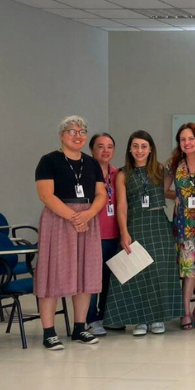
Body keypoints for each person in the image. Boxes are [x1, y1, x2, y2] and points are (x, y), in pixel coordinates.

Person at [34, 116, 104, 350]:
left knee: (86, 273)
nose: (78, 136)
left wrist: (88, 214)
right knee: (54, 273)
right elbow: (46, 195)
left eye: (82, 131)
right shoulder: (49, 160)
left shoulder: (92, 163)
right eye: (72, 131)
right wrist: (74, 217)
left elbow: (101, 194)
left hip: (88, 218)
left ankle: (79, 328)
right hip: (59, 218)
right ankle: (49, 332)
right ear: (62, 135)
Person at [104, 130, 183, 337]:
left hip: (158, 223)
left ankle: (157, 317)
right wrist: (124, 232)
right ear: (130, 149)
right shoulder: (122, 174)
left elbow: (170, 189)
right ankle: (140, 319)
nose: (140, 150)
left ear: (150, 149)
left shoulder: (159, 169)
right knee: (137, 273)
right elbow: (121, 206)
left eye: (144, 146)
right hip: (136, 223)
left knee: (159, 273)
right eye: (136, 146)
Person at [164, 123, 195, 330]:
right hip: (183, 224)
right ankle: (185, 312)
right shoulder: (174, 163)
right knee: (188, 270)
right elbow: (163, 190)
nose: (187, 143)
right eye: (183, 139)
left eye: (191, 139)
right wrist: (181, 197)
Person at [85, 133, 119, 337]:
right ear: (92, 150)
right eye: (100, 146)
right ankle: (90, 319)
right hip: (92, 235)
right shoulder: (85, 173)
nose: (105, 150)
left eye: (110, 146)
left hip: (114, 235)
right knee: (92, 280)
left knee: (109, 279)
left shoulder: (118, 174)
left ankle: (105, 315)